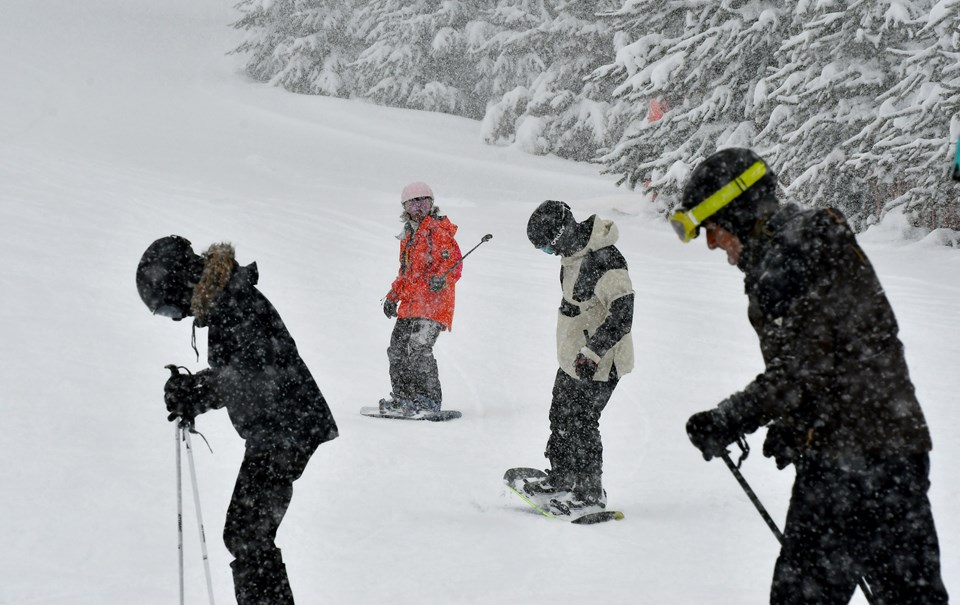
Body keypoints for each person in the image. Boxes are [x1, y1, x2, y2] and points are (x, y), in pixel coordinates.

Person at [673, 148, 949, 604]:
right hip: (892, 450)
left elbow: (801, 372)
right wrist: (797, 428)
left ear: (737, 214)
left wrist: (729, 417)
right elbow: (841, 359)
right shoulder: (806, 244)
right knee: (909, 593)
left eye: (712, 228)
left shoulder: (790, 255)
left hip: (850, 465)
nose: (711, 243)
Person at [136, 235, 339, 605]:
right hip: (281, 426)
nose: (178, 317)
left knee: (247, 535)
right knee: (248, 534)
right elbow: (239, 374)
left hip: (286, 428)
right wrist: (197, 389)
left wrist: (195, 391)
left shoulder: (236, 302)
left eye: (168, 309)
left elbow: (247, 376)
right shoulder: (229, 298)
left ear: (180, 282)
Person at [522, 200, 634, 514]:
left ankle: (590, 494)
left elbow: (623, 314)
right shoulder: (572, 253)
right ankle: (563, 476)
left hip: (602, 359)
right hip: (575, 356)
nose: (552, 254)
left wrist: (592, 351)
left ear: (563, 233)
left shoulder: (606, 259)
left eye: (549, 248)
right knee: (561, 415)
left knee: (583, 422)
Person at [380, 182, 462, 415]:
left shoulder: (438, 231)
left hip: (433, 305)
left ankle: (428, 400)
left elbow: (453, 266)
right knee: (397, 349)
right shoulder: (408, 235)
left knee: (418, 348)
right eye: (414, 202)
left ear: (432, 204)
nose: (420, 207)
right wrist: (392, 296)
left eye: (425, 201)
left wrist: (442, 279)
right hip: (411, 304)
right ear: (405, 207)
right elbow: (405, 273)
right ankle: (404, 397)